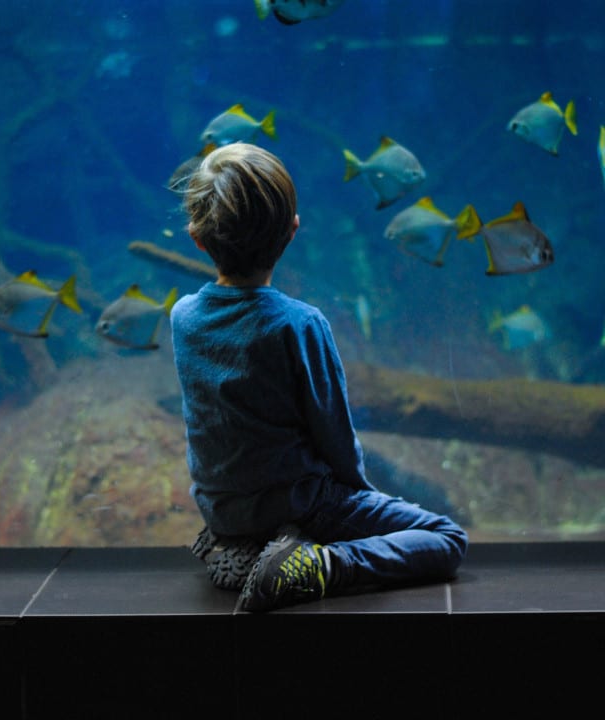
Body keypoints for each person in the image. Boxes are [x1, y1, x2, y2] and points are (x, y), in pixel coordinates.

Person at [170, 142, 468, 612]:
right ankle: (322, 564)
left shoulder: (183, 316)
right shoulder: (298, 323)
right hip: (299, 502)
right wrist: (358, 494)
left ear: (198, 238)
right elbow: (333, 431)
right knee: (445, 537)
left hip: (222, 510)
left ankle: (246, 547)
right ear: (292, 232)